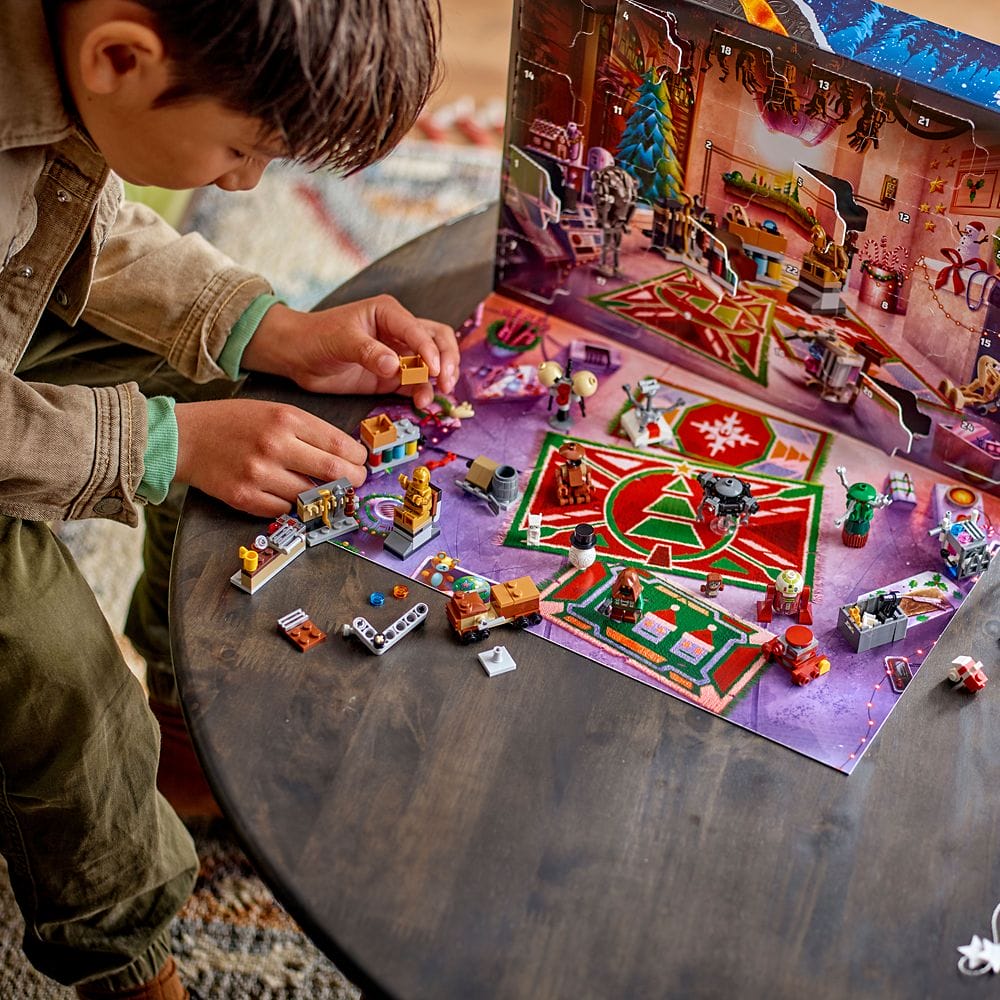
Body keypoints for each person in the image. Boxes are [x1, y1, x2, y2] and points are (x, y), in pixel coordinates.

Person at [1, 2, 455, 998]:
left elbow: (70, 225)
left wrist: (271, 327)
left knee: (225, 384)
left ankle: (182, 735)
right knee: (54, 677)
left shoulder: (62, 63)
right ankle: (127, 963)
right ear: (120, 57)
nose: (243, 184)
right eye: (244, 150)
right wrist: (160, 444)